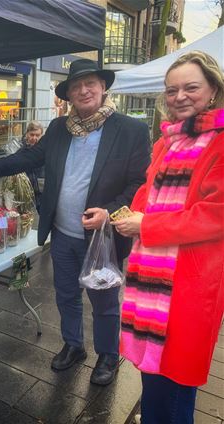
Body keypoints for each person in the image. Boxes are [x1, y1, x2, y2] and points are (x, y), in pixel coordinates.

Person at [0, 58, 151, 385]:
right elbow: (29, 157)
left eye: (90, 83)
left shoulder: (130, 129)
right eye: (76, 86)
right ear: (68, 95)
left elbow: (139, 183)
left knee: (104, 301)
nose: (83, 90)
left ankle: (107, 354)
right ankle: (73, 345)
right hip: (62, 233)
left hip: (102, 236)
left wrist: (111, 211)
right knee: (65, 294)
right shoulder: (59, 128)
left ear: (103, 87)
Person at [112, 51, 224, 423]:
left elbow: (214, 214)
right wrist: (125, 213)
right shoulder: (167, 141)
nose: (180, 96)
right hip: (151, 280)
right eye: (172, 89)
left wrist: (146, 226)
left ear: (212, 90)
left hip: (188, 284)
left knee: (175, 387)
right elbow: (148, 189)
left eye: (191, 87)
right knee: (152, 373)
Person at [21, 121, 44, 213]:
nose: (34, 138)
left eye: (37, 135)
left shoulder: (46, 150)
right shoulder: (21, 150)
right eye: (32, 135)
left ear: (42, 135)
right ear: (27, 134)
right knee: (23, 217)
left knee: (44, 215)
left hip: (41, 191)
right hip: (24, 191)